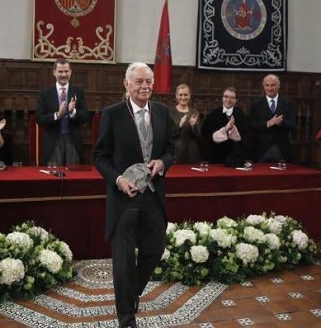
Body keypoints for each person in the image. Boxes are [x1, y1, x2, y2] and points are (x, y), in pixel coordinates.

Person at [93, 62, 174, 328]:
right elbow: (100, 157)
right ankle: (126, 318)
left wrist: (162, 162)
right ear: (126, 84)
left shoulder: (162, 112)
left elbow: (170, 150)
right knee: (124, 260)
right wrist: (118, 179)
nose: (145, 86)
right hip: (123, 198)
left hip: (152, 195)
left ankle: (132, 292)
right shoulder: (113, 114)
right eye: (139, 81)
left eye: (149, 81)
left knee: (155, 249)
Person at [36, 58, 90, 165]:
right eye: (60, 71)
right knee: (53, 176)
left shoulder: (78, 92)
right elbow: (39, 119)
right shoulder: (45, 93)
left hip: (73, 141)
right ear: (54, 72)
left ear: (70, 72)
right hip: (53, 142)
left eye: (66, 71)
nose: (64, 75)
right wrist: (57, 115)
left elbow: (86, 116)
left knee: (73, 176)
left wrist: (73, 112)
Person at [248, 74, 296, 163]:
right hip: (261, 149)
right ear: (263, 86)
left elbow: (293, 124)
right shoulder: (256, 103)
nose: (270, 88)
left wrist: (281, 122)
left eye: (273, 85)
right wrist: (267, 123)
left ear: (278, 86)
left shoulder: (287, 102)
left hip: (281, 148)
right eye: (267, 85)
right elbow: (251, 124)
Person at [201, 87, 247, 166]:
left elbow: (245, 135)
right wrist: (225, 129)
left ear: (236, 100)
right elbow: (207, 134)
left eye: (232, 97)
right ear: (222, 98)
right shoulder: (213, 115)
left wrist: (233, 130)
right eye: (226, 96)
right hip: (217, 155)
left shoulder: (241, 115)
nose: (228, 100)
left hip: (236, 156)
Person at [169, 84, 201, 164]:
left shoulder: (194, 112)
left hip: (192, 153)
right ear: (176, 96)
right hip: (176, 153)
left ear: (189, 96)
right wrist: (180, 125)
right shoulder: (170, 112)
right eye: (180, 95)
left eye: (185, 95)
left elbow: (199, 135)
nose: (183, 98)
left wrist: (193, 126)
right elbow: (168, 134)